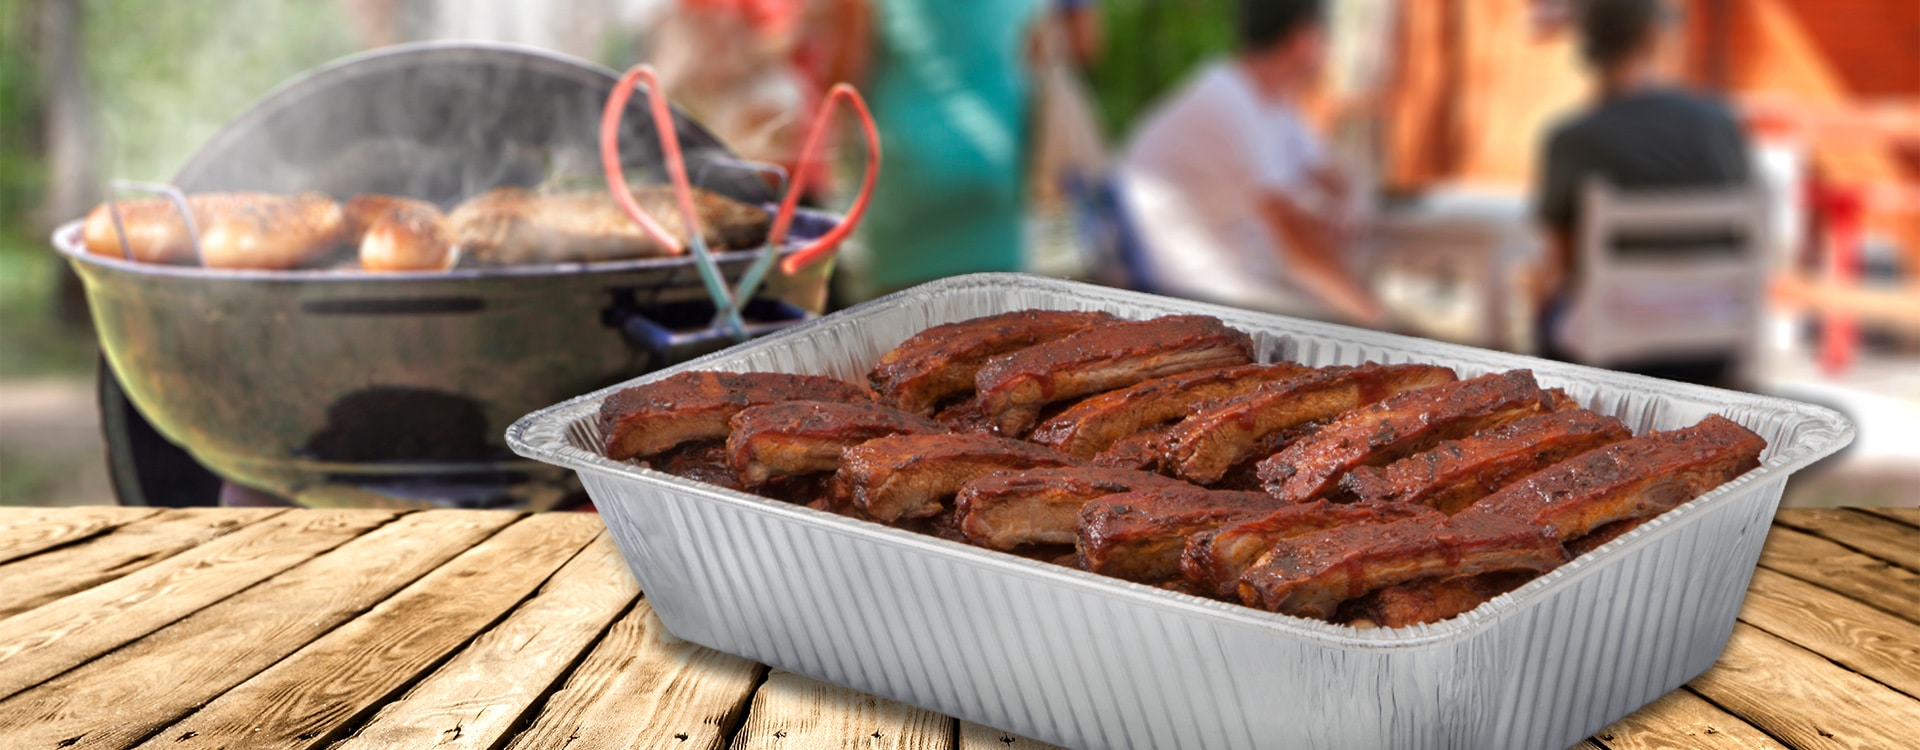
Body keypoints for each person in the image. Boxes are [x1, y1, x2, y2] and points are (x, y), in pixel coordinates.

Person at [1116, 0, 1385, 325]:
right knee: (1345, 323)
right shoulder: (1227, 101)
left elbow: (1332, 176)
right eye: (1326, 39)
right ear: (1304, 39)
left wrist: (1347, 206)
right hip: (1189, 291)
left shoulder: (1271, 102)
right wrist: (1381, 321)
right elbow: (1299, 248)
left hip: (1234, 273)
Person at [1530, 0, 1753, 382]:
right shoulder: (1719, 122)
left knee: (1544, 305)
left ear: (1586, 42)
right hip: (1712, 345)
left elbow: (1565, 267)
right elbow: (1741, 236)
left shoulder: (1570, 139)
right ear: (1653, 34)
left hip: (1613, 350)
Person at [853, 0, 1045, 298]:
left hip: (906, 170)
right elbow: (1050, 50)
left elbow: (849, 69)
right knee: (1001, 319)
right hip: (993, 162)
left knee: (899, 325)